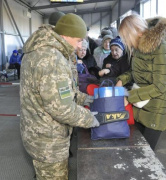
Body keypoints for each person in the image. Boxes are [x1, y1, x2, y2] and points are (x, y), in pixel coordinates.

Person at [20, 13, 99, 180]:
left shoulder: (43, 49)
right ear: (65, 36)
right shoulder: (52, 59)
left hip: (37, 132)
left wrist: (82, 98)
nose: (80, 45)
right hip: (49, 141)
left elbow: (58, 92)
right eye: (78, 40)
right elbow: (61, 109)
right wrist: (89, 118)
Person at [116, 13, 166, 150]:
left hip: (158, 105)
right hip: (143, 100)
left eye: (126, 36)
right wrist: (121, 80)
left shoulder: (162, 49)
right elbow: (136, 71)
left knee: (146, 150)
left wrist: (129, 98)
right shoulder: (140, 48)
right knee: (137, 142)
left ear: (135, 31)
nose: (125, 41)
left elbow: (159, 86)